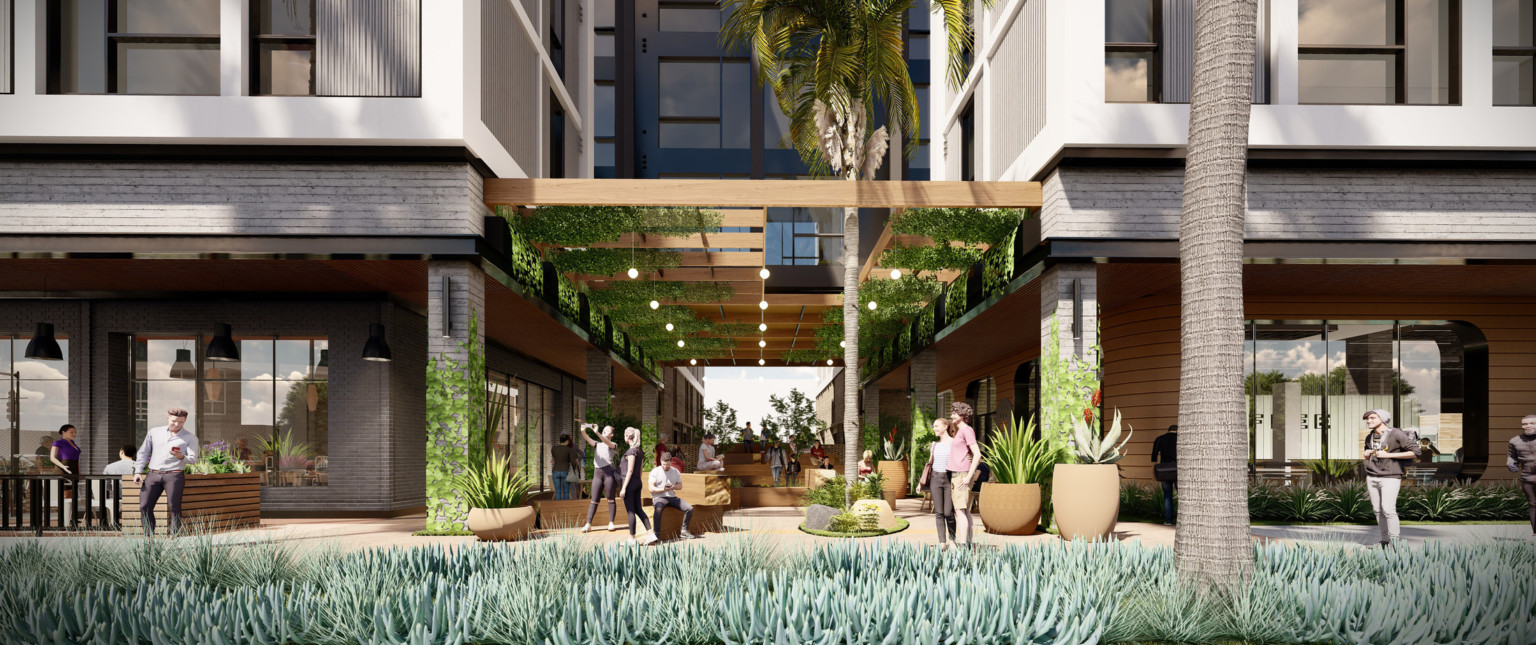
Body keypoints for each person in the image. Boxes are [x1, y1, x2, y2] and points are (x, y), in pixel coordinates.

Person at [133, 408, 199, 537]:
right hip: (153, 475)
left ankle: (172, 538)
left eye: (181, 422)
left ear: (185, 421)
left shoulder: (190, 437)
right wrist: (138, 472)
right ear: (167, 418)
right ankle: (149, 538)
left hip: (174, 476)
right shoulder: (154, 432)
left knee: (174, 507)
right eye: (174, 421)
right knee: (144, 506)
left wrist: (181, 457)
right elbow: (143, 452)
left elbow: (193, 459)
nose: (177, 424)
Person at [1362, 409, 1421, 547]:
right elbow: (1370, 455)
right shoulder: (1369, 436)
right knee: (1377, 510)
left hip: (1390, 477)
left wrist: (1388, 455)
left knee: (1388, 509)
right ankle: (1384, 541)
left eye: (1372, 418)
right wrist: (1366, 454)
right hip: (1372, 476)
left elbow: (1416, 452)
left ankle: (1394, 543)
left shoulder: (1396, 433)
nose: (1368, 421)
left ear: (1382, 419)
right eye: (1367, 419)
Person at [947, 402, 983, 547]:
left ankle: (963, 544)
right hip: (958, 474)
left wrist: (968, 476)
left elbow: (978, 454)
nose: (951, 416)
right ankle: (967, 542)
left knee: (960, 511)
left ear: (962, 415)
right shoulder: (960, 431)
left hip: (962, 475)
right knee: (964, 510)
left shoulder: (967, 430)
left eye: (954, 413)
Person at [919, 418, 957, 547]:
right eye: (933, 426)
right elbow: (929, 464)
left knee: (949, 513)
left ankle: (952, 540)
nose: (934, 428)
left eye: (936, 426)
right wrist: (921, 483)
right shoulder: (934, 445)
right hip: (935, 478)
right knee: (939, 513)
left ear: (945, 426)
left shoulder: (954, 443)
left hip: (949, 478)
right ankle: (942, 542)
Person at [618, 427, 655, 546]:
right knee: (638, 509)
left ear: (628, 437)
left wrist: (623, 488)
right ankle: (650, 534)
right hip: (637, 482)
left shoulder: (631, 452)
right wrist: (639, 482)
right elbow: (640, 471)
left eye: (625, 435)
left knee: (630, 511)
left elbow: (629, 471)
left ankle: (632, 538)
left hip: (629, 483)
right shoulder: (639, 451)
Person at [649, 451, 699, 540]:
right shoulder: (655, 471)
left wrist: (673, 486)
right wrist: (663, 489)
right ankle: (656, 534)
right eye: (664, 464)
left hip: (672, 497)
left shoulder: (675, 471)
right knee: (658, 509)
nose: (665, 467)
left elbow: (680, 486)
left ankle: (684, 531)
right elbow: (651, 488)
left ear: (671, 462)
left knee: (689, 508)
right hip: (659, 497)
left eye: (667, 465)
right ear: (660, 461)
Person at [579, 424, 620, 533]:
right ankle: (588, 524)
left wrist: (597, 433)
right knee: (594, 500)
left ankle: (611, 522)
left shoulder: (613, 444)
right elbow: (588, 439)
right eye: (604, 430)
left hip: (609, 472)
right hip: (597, 473)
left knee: (611, 498)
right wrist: (583, 431)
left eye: (607, 431)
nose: (605, 431)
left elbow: (606, 442)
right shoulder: (598, 444)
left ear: (612, 434)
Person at [1507, 414, 1536, 538]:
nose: (1528, 426)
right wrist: (1510, 463)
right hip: (1527, 478)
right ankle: (1535, 533)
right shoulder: (1514, 441)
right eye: (1525, 424)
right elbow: (1511, 456)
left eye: (1532, 423)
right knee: (1533, 505)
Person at [1150, 424, 1178, 526]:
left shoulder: (1160, 439)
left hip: (1164, 471)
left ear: (1168, 430)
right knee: (1182, 496)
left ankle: (1168, 521)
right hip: (1178, 470)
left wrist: (1155, 471)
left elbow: (1154, 456)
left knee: (1167, 495)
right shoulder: (1180, 439)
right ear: (1177, 430)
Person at [49, 424, 82, 497]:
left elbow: (77, 459)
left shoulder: (73, 443)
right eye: (71, 432)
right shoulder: (57, 443)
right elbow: (52, 457)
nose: (74, 434)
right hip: (63, 469)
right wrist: (63, 467)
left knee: (72, 494)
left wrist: (79, 472)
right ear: (63, 432)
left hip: (74, 470)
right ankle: (62, 508)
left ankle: (70, 509)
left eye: (75, 432)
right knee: (65, 494)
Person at [551, 434, 575, 500]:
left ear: (560, 440)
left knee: (557, 492)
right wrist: (574, 468)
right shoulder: (569, 449)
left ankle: (558, 508)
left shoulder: (553, 448)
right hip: (565, 471)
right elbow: (573, 462)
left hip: (555, 471)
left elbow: (555, 458)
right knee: (566, 492)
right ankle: (565, 508)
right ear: (567, 441)